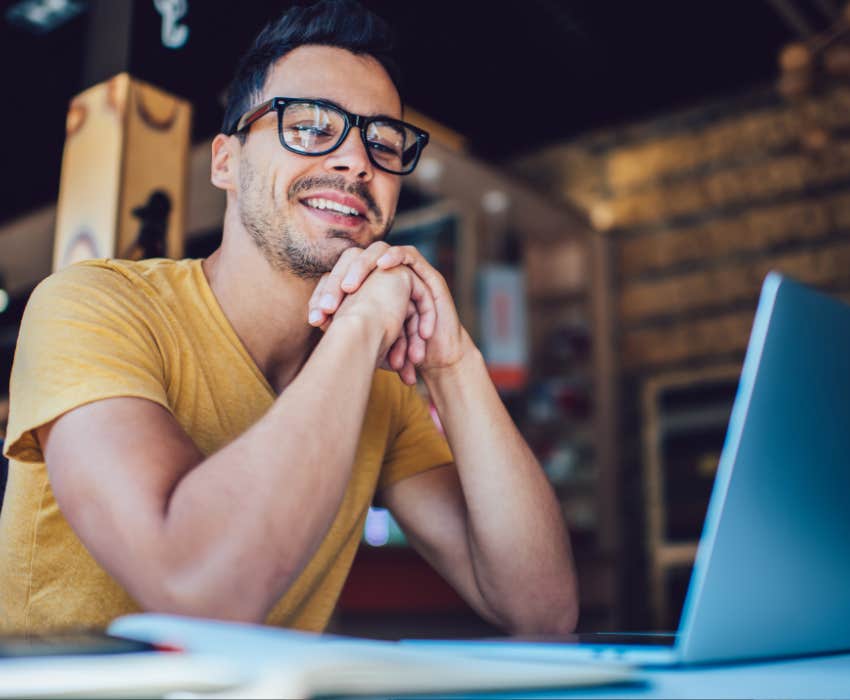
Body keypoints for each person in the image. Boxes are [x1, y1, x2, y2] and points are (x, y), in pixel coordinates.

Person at [0, 0, 578, 634]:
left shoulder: (383, 391)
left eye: (381, 142)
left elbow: (542, 609)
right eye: (308, 125)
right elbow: (195, 587)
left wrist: (453, 361)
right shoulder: (94, 306)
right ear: (226, 160)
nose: (356, 161)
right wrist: (360, 329)